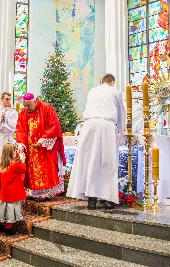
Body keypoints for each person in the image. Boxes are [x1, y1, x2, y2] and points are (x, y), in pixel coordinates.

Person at [66, 74, 125, 210]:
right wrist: (122, 134)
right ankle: (108, 200)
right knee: (107, 162)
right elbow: (121, 114)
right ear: (112, 82)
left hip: (89, 126)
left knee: (90, 161)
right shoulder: (115, 91)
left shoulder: (92, 91)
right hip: (106, 125)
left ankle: (91, 199)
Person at [16, 93, 66, 202]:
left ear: (35, 101)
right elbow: (20, 128)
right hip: (30, 147)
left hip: (45, 147)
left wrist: (42, 141)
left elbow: (54, 126)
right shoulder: (23, 112)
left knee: (46, 168)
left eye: (28, 105)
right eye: (24, 105)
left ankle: (46, 193)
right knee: (32, 169)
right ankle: (34, 192)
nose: (26, 108)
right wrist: (21, 143)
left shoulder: (47, 108)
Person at [0, 143, 26, 235]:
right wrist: (23, 161)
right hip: (13, 192)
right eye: (14, 151)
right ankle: (8, 228)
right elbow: (23, 170)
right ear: (11, 153)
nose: (16, 152)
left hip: (5, 191)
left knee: (3, 208)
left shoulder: (2, 164)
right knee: (11, 210)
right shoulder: (15, 164)